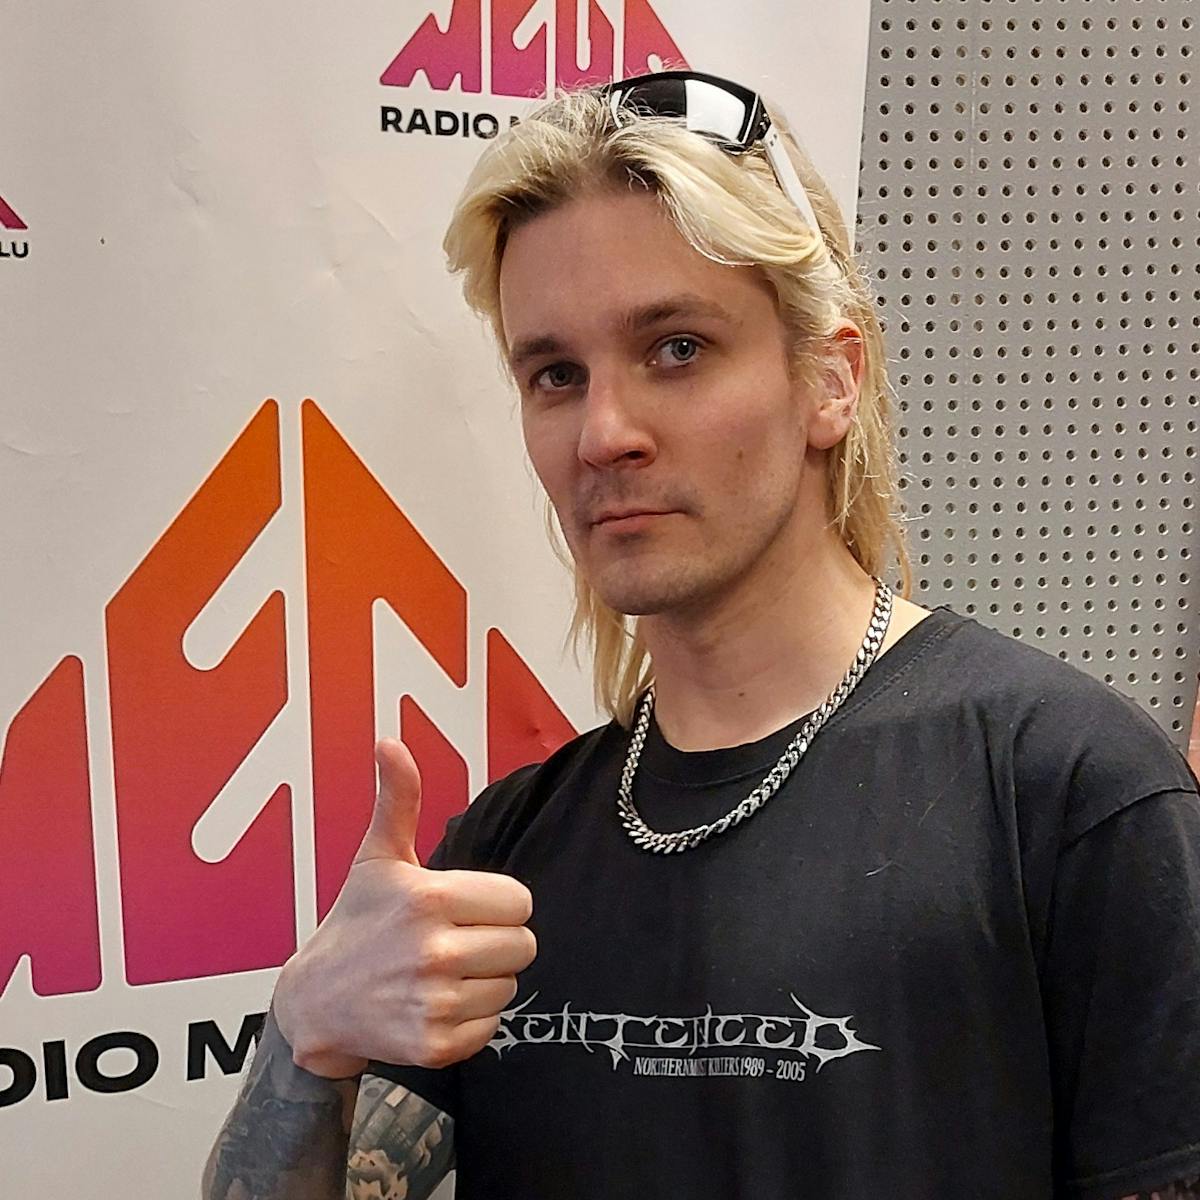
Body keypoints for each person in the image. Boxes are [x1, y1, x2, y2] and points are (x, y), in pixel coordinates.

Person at [202, 71, 1200, 1200]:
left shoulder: (1067, 792)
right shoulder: (507, 851)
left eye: (676, 348)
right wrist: (307, 1032)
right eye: (556, 374)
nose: (604, 433)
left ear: (830, 381)